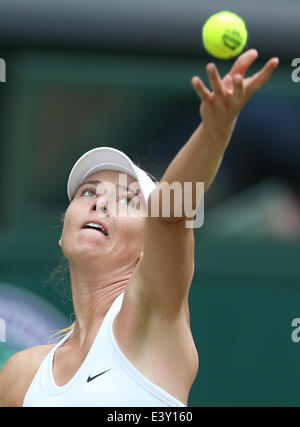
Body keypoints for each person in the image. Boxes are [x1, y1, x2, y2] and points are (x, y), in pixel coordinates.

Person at [0, 49, 279, 407]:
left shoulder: (153, 317)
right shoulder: (20, 374)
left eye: (129, 199)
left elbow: (171, 215)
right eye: (88, 192)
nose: (100, 202)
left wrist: (215, 130)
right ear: (62, 230)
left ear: (153, 247)